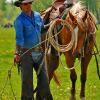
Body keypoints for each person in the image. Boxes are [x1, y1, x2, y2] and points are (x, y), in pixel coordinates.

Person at [13, 0, 53, 100]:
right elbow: (19, 39)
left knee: (44, 81)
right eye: (25, 4)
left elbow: (42, 29)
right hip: (26, 54)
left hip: (39, 52)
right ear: (20, 6)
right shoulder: (19, 20)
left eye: (29, 3)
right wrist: (17, 53)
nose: (28, 5)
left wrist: (53, 24)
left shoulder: (37, 16)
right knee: (27, 82)